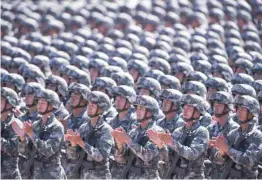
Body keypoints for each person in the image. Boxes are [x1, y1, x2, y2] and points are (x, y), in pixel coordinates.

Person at [150, 94, 210, 179]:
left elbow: (192, 154)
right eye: (184, 108)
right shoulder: (178, 131)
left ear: (197, 112)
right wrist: (161, 145)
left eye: (189, 108)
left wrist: (171, 142)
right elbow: (168, 158)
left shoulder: (202, 131)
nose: (185, 111)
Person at [112, 95, 164, 179]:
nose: (137, 111)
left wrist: (127, 139)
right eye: (137, 108)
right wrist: (119, 145)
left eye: (142, 109)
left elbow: (147, 156)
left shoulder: (156, 132)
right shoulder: (133, 132)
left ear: (151, 112)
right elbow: (122, 160)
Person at [210, 95, 262, 179]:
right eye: (238, 109)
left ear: (251, 113)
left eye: (243, 110)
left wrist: (227, 149)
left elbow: (249, 161)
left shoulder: (257, 136)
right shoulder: (233, 133)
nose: (238, 112)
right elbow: (218, 161)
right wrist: (222, 153)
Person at [65, 91, 114, 179]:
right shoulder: (84, 127)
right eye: (89, 104)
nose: (89, 107)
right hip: (83, 174)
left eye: (93, 105)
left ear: (101, 109)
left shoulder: (106, 130)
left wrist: (81, 142)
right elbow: (73, 157)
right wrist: (73, 144)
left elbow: (101, 157)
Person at [19, 88, 66, 179]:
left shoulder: (57, 126)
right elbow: (26, 151)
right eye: (39, 102)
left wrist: (31, 133)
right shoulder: (36, 125)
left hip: (50, 174)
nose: (39, 106)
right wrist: (22, 138)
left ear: (51, 106)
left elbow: (48, 151)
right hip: (34, 172)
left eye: (43, 103)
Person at [207, 91, 239, 178]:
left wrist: (223, 151)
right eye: (214, 105)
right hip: (209, 174)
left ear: (227, 107)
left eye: (219, 105)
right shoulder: (210, 128)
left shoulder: (235, 129)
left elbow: (232, 157)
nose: (215, 107)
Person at [63, 82, 90, 178]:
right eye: (72, 95)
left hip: (83, 171)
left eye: (76, 96)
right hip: (67, 168)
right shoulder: (67, 119)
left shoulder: (88, 120)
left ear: (84, 99)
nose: (72, 98)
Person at [1, 87, 22, 179]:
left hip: (9, 175)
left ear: (10, 103)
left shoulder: (15, 123)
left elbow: (14, 149)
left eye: (1, 99)